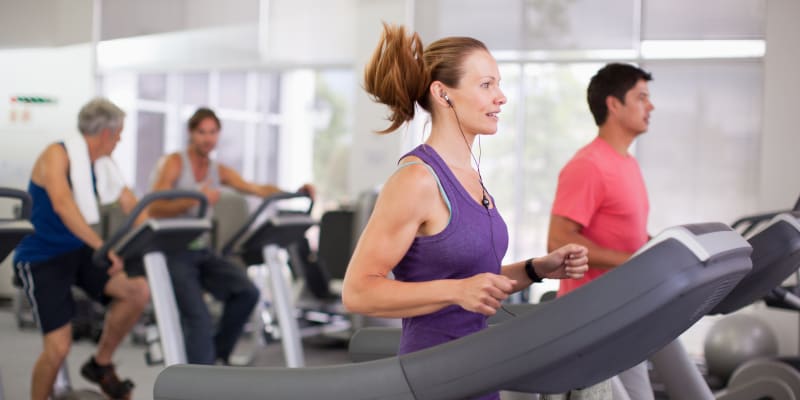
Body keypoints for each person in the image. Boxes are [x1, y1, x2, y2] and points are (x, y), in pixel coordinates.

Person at [342, 23, 589, 400]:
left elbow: (475, 281)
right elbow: (358, 292)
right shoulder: (417, 180)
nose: (501, 97)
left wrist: (536, 269)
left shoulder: (471, 176)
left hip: (476, 370)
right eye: (486, 84)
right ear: (443, 94)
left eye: (499, 84)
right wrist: (457, 291)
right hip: (433, 376)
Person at [148, 107, 313, 365]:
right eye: (202, 132)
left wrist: (294, 192)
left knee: (246, 292)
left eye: (213, 132)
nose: (207, 138)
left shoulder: (217, 169)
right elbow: (154, 207)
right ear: (192, 133)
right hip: (172, 251)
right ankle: (199, 378)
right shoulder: (175, 163)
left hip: (200, 250)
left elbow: (257, 188)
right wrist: (194, 200)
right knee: (199, 318)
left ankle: (215, 355)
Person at [13, 98, 150, 400]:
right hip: (42, 257)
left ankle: (101, 364)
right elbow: (63, 206)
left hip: (77, 251)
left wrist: (157, 233)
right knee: (58, 347)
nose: (120, 140)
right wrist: (101, 247)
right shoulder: (56, 155)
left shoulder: (102, 164)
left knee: (137, 291)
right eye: (119, 134)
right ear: (106, 134)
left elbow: (131, 203)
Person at [547, 63, 655, 399]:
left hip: (627, 313)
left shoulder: (627, 163)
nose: (651, 106)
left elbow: (628, 234)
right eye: (641, 97)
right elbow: (558, 239)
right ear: (614, 104)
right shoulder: (588, 165)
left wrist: (661, 248)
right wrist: (633, 261)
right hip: (590, 317)